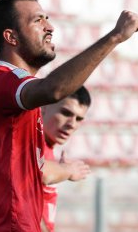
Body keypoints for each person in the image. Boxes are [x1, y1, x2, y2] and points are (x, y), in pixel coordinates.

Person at [0, 0, 138, 232]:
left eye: (46, 18)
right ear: (11, 37)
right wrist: (115, 36)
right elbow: (53, 89)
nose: (50, 27)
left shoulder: (5, 89)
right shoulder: (4, 81)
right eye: (38, 20)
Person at [41, 86, 92, 232]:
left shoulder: (48, 148)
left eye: (79, 119)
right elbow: (40, 172)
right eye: (65, 113)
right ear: (43, 107)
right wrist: (66, 170)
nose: (72, 124)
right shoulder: (30, 141)